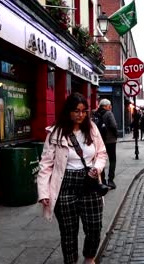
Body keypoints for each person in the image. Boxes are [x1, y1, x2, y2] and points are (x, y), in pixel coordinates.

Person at [37, 92, 108, 264]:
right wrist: (43, 192)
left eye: (84, 111)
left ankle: (89, 258)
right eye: (76, 111)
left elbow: (102, 154)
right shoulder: (55, 133)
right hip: (65, 185)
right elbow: (46, 164)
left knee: (94, 227)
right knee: (68, 231)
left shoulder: (92, 129)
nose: (80, 115)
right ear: (69, 111)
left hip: (89, 184)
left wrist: (97, 168)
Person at [97, 99, 118, 189]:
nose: (111, 107)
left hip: (100, 141)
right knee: (112, 160)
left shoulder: (96, 113)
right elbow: (113, 125)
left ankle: (102, 180)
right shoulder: (109, 113)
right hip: (110, 141)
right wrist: (116, 134)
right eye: (109, 105)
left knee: (101, 160)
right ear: (105, 106)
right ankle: (110, 180)